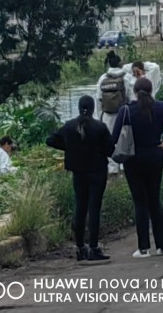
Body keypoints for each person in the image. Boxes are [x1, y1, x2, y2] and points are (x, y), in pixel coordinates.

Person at [113, 78, 163, 258]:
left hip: (133, 159)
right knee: (155, 200)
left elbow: (114, 137)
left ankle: (144, 248)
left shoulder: (126, 111)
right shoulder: (161, 107)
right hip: (155, 156)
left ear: (135, 92)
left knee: (140, 203)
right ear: (151, 90)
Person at [46, 96, 114, 261]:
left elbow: (50, 140)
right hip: (97, 171)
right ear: (92, 109)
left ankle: (79, 247)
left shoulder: (69, 126)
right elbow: (110, 150)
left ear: (78, 108)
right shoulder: (99, 127)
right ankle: (94, 247)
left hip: (78, 172)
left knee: (80, 207)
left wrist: (69, 147)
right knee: (94, 208)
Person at [95, 51, 133, 174]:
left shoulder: (103, 78)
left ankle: (112, 169)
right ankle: (123, 166)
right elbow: (130, 97)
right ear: (120, 63)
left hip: (107, 115)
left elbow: (99, 98)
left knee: (109, 140)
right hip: (123, 115)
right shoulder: (126, 77)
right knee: (124, 140)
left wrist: (99, 117)